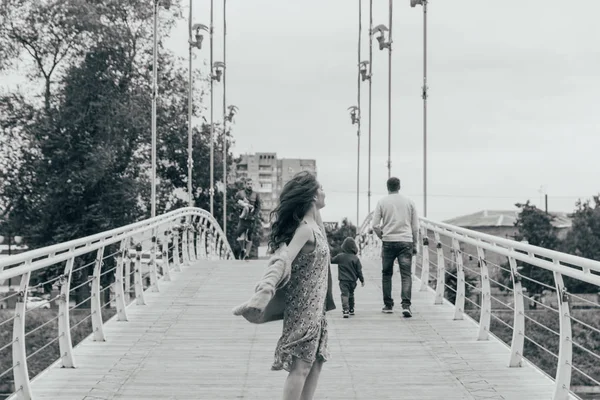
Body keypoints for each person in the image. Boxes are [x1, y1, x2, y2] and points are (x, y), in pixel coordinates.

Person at [267, 171, 335, 400]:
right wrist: (266, 285)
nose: (325, 192)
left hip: (316, 309)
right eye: (321, 188)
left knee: (315, 364)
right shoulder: (305, 230)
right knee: (301, 367)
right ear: (313, 196)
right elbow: (286, 257)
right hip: (304, 307)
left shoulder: (315, 226)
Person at [371, 177, 419, 317]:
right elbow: (415, 226)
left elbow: (374, 225)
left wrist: (382, 236)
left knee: (387, 274)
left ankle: (388, 305)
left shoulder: (382, 202)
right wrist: (414, 243)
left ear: (388, 187)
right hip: (406, 241)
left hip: (389, 241)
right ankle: (406, 306)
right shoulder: (409, 202)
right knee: (406, 275)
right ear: (399, 186)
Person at [331, 237, 364, 318]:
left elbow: (331, 260)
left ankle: (345, 310)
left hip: (343, 280)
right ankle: (351, 309)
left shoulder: (340, 257)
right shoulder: (356, 258)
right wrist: (362, 280)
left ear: (344, 246)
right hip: (353, 281)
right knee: (351, 294)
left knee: (344, 294)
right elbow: (359, 271)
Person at [234, 178, 261, 259]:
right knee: (239, 235)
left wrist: (255, 215)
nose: (250, 185)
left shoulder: (256, 194)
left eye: (251, 184)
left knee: (249, 236)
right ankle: (243, 249)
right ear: (245, 184)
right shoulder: (240, 193)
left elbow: (258, 207)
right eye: (248, 184)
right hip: (242, 218)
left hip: (251, 218)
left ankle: (247, 255)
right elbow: (235, 204)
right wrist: (241, 206)